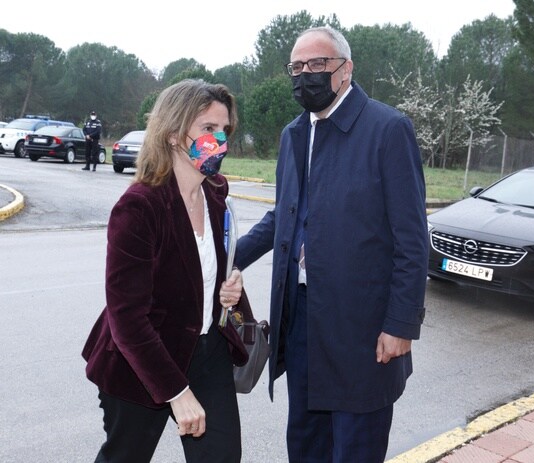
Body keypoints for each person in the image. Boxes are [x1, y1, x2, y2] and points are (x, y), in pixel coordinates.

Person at [234, 26, 428, 463]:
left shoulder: (388, 129)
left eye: (318, 64)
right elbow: (281, 217)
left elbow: (413, 241)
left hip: (363, 326)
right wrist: (228, 259)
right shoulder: (293, 134)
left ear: (346, 69)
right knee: (305, 442)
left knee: (354, 447)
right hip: (301, 318)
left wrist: (400, 325)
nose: (306, 74)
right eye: (297, 67)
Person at [82, 79, 248, 463]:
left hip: (207, 350)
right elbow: (127, 318)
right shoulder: (139, 208)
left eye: (225, 130)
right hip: (141, 360)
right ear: (174, 134)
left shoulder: (216, 194)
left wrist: (229, 288)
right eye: (208, 129)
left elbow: (203, 266)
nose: (219, 139)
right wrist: (177, 392)